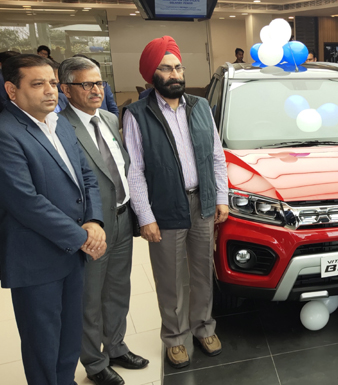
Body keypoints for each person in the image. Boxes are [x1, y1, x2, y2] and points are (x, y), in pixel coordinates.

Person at [123, 36, 229, 368]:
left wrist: (221, 197)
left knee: (202, 273)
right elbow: (135, 170)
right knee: (170, 278)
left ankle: (203, 327)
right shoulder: (137, 114)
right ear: (151, 74)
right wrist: (145, 216)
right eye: (166, 68)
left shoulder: (201, 107)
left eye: (178, 67)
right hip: (165, 207)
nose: (175, 74)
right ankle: (175, 337)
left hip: (202, 203)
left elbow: (217, 157)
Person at [0, 54, 106, 385]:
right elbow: (25, 201)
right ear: (12, 90)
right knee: (43, 345)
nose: (50, 91)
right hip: (36, 259)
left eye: (52, 82)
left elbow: (86, 176)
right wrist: (82, 237)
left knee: (69, 337)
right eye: (37, 84)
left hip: (72, 254)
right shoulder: (6, 133)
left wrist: (94, 221)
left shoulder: (59, 124)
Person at [58, 57, 149, 385]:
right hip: (92, 227)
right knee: (90, 299)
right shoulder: (60, 128)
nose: (96, 90)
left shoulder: (110, 119)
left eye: (99, 83)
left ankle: (115, 346)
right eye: (87, 84)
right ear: (66, 89)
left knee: (118, 290)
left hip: (122, 219)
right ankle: (94, 362)